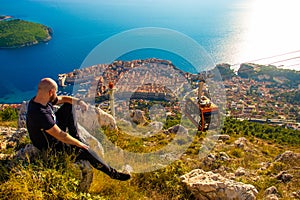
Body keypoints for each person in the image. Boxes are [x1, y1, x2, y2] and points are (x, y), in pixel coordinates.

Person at [26, 78, 130, 181]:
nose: (56, 95)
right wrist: (78, 144)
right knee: (86, 150)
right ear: (50, 92)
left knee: (69, 106)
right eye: (55, 93)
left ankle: (75, 134)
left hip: (51, 130)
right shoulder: (40, 114)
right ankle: (114, 174)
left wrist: (79, 102)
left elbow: (63, 99)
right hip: (50, 144)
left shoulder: (41, 99)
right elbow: (61, 136)